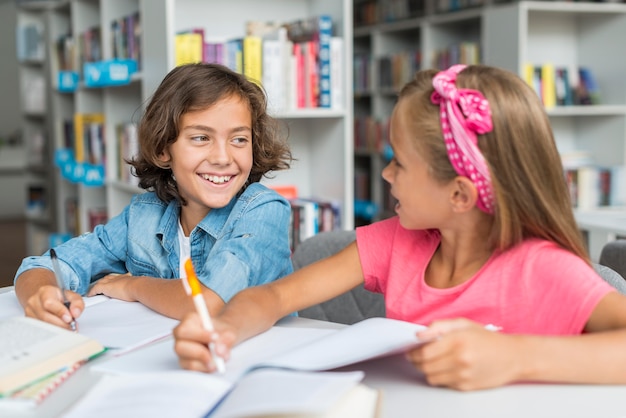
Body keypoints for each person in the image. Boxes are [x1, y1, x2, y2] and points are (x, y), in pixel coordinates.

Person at [172, 64, 626, 391]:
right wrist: (225, 328)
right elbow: (275, 297)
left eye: (400, 164)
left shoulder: (540, 268)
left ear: (460, 195)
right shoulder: (396, 242)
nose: (386, 175)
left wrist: (514, 358)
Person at [14, 63, 294, 328]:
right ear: (163, 150)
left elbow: (209, 301)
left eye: (239, 139)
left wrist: (133, 286)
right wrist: (43, 295)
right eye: (201, 138)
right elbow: (46, 264)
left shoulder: (263, 211)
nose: (223, 157)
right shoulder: (143, 215)